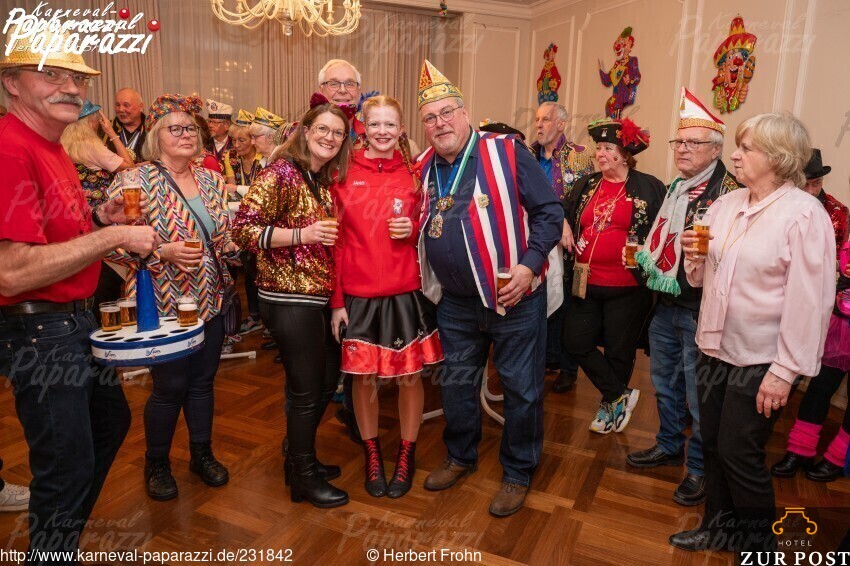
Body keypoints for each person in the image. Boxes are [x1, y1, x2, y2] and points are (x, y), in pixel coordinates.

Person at [0, 30, 157, 562]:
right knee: (64, 463)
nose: (70, 87)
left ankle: (58, 543)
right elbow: (11, 271)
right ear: (12, 84)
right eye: (51, 74)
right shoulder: (10, 148)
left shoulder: (52, 146)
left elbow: (49, 233)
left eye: (76, 78)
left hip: (72, 320)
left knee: (109, 423)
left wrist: (98, 218)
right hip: (38, 328)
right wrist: (115, 237)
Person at [673, 112, 835, 554]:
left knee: (739, 452)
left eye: (746, 148)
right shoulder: (726, 205)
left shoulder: (804, 215)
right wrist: (695, 258)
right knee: (711, 443)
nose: (735, 155)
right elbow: (706, 279)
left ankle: (759, 548)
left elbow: (811, 301)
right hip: (714, 346)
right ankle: (718, 529)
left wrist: (784, 373)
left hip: (763, 357)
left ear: (778, 158)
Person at [415, 60, 563, 517]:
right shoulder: (422, 167)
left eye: (447, 112)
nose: (440, 123)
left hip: (513, 298)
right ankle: (460, 455)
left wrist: (529, 267)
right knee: (457, 386)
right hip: (456, 303)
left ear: (464, 113)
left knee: (521, 389)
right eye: (430, 118)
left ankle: (518, 472)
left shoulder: (506, 152)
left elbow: (550, 213)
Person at [106, 94, 237, 501]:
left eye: (191, 128)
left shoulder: (212, 180)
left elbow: (220, 236)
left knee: (203, 381)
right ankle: (157, 463)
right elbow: (110, 243)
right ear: (156, 136)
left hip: (210, 298)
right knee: (170, 386)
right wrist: (162, 251)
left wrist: (233, 246)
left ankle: (202, 453)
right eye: (175, 128)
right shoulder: (135, 180)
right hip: (162, 301)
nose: (186, 135)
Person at [233, 95, 352, 508]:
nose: (330, 137)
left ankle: (300, 457)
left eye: (338, 133)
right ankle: (301, 476)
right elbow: (243, 231)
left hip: (316, 297)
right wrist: (303, 235)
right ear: (304, 131)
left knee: (325, 381)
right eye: (322, 129)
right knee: (305, 390)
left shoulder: (318, 177)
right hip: (286, 298)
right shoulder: (281, 172)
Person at [627, 88, 741, 506]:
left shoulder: (729, 193)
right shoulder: (676, 187)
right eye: (679, 142)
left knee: (699, 397)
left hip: (699, 310)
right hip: (666, 304)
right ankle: (669, 444)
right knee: (664, 384)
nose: (683, 149)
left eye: (694, 143)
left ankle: (698, 469)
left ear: (715, 149)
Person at [330, 95, 444, 499]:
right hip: (358, 294)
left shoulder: (417, 174)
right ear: (362, 127)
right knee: (363, 380)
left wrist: (412, 230)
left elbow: (433, 227)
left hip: (405, 291)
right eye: (374, 124)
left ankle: (406, 454)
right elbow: (336, 244)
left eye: (390, 124)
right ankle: (373, 453)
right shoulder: (342, 173)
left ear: (401, 129)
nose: (382, 131)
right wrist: (337, 302)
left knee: (410, 378)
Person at [562, 117, 664, 434]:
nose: (600, 153)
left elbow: (664, 231)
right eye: (599, 147)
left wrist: (647, 252)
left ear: (624, 155)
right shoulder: (587, 184)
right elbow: (562, 211)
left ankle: (611, 408)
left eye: (608, 148)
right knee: (574, 341)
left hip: (628, 286)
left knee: (619, 351)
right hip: (585, 281)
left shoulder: (648, 186)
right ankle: (620, 394)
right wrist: (563, 225)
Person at [772, 148, 850, 483]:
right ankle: (799, 451)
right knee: (819, 387)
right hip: (841, 320)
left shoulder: (838, 212)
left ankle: (836, 458)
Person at [531, 101, 594, 393]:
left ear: (560, 124)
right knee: (539, 298)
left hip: (568, 243)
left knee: (566, 303)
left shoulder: (579, 155)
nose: (538, 125)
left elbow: (586, 201)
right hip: (535, 240)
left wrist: (562, 222)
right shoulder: (528, 154)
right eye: (537, 119)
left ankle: (568, 368)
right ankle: (548, 358)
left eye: (545, 119)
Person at [61, 100, 136, 318]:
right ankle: (102, 316)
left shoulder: (63, 143)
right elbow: (128, 167)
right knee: (111, 266)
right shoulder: (90, 145)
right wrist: (111, 133)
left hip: (75, 212)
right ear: (91, 122)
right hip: (100, 215)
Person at [225, 109, 265, 335]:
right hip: (241, 219)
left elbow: (263, 193)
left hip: (263, 220)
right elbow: (230, 192)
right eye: (233, 140)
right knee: (249, 269)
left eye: (242, 140)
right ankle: (255, 316)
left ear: (253, 140)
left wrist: (239, 189)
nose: (236, 145)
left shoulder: (264, 157)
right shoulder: (231, 157)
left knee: (261, 270)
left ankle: (266, 320)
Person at [106, 87, 147, 162]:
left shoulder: (153, 128)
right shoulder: (105, 128)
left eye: (126, 105)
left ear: (140, 107)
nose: (121, 109)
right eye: (118, 105)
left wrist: (151, 163)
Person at [205, 98, 233, 169]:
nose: (210, 125)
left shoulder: (235, 144)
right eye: (209, 122)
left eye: (214, 122)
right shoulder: (204, 143)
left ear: (227, 125)